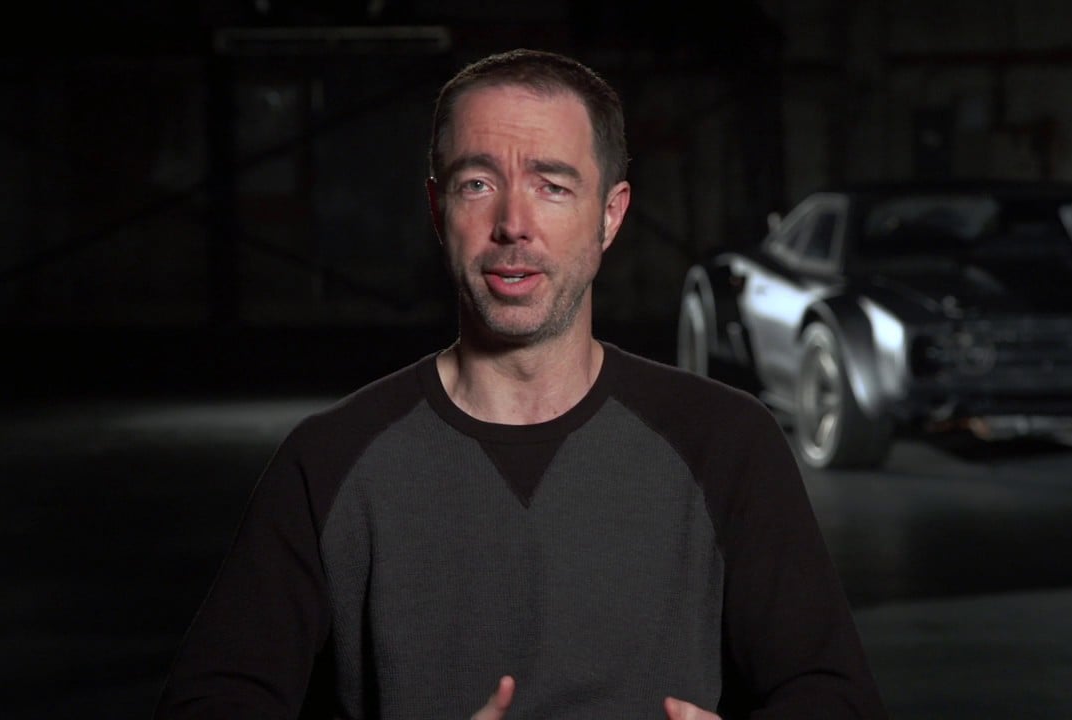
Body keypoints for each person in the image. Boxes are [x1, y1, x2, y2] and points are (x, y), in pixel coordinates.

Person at [153, 47, 888, 719]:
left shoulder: (726, 442)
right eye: (478, 184)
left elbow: (832, 696)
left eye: (552, 186)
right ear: (438, 210)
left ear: (610, 216)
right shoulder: (329, 461)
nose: (513, 223)